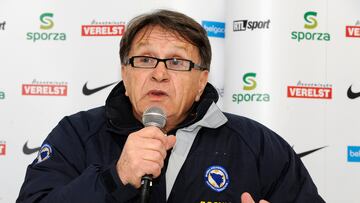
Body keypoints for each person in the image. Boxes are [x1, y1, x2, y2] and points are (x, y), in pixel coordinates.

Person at [17, 9, 325, 203]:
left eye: (176, 61)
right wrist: (115, 177)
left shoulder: (256, 145)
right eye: (146, 59)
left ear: (202, 80)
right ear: (125, 74)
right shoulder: (77, 134)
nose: (160, 73)